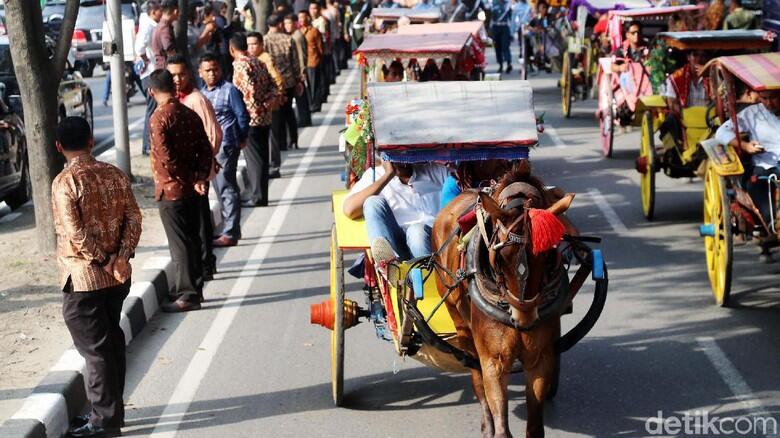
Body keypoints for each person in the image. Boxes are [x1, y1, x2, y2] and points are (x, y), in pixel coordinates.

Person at [53, 117, 141, 438]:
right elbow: (134, 217)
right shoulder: (115, 174)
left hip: (83, 280)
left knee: (96, 351)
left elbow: (74, 232)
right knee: (112, 343)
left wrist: (104, 260)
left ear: (59, 147)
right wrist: (121, 257)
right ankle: (110, 412)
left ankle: (105, 421)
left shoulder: (65, 182)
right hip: (117, 278)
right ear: (91, 141)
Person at [148, 69, 213, 312]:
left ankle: (188, 294)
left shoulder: (158, 118)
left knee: (180, 245)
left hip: (171, 190)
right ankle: (193, 289)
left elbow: (166, 158)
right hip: (192, 189)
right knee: (192, 241)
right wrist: (199, 177)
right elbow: (205, 149)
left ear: (152, 91)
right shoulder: (188, 114)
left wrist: (187, 179)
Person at [166, 55, 222, 281]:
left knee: (200, 222)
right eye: (172, 75)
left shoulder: (195, 100)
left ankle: (206, 265)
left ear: (189, 74)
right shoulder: (174, 100)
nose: (177, 79)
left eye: (181, 74)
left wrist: (201, 168)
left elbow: (213, 135)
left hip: (197, 174)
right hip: (186, 176)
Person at [715, 90, 780, 260]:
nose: (769, 103)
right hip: (765, 166)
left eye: (773, 98)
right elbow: (721, 133)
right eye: (764, 98)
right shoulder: (752, 113)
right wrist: (745, 146)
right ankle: (773, 225)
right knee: (756, 183)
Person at [343, 159, 448, 261]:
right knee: (372, 202)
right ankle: (388, 265)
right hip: (397, 244)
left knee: (417, 231)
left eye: (407, 155)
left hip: (435, 242)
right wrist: (388, 175)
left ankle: (425, 273)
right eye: (397, 156)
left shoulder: (437, 171)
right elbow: (349, 209)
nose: (404, 162)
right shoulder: (375, 175)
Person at [200, 53, 250, 247]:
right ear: (201, 73)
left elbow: (242, 116)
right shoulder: (203, 94)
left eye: (215, 69)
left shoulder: (230, 91)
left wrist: (242, 138)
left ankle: (230, 232)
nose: (212, 74)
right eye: (208, 71)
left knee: (227, 187)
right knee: (219, 188)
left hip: (226, 145)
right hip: (209, 148)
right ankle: (229, 228)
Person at [231, 32, 280, 207]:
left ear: (232, 49)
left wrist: (250, 113)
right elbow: (274, 86)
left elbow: (248, 92)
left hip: (251, 119)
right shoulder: (258, 62)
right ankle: (260, 194)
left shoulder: (240, 66)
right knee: (261, 157)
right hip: (265, 116)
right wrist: (266, 104)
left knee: (254, 159)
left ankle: (257, 196)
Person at [247, 31, 285, 178]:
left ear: (261, 45)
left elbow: (277, 80)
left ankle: (274, 166)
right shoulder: (252, 60)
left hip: (269, 106)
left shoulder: (265, 59)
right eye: (248, 45)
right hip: (260, 108)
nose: (251, 47)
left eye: (254, 44)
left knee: (272, 137)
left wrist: (274, 98)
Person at [264, 14, 304, 152]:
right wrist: (299, 79)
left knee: (276, 114)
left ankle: (280, 142)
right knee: (289, 112)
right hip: (289, 80)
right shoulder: (288, 39)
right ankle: (293, 140)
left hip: (272, 82)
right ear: (280, 24)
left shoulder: (264, 41)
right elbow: (295, 62)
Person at [136, 0, 162, 155]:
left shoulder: (151, 24)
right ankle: (147, 145)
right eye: (160, 11)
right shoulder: (148, 25)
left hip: (151, 72)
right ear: (153, 12)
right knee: (151, 109)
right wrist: (145, 58)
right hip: (150, 73)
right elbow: (139, 46)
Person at [285, 14, 313, 126]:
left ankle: (304, 119)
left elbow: (301, 56)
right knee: (301, 97)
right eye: (285, 23)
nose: (287, 26)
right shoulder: (294, 35)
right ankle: (304, 118)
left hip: (299, 72)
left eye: (289, 23)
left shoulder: (297, 36)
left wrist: (302, 72)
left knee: (301, 97)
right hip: (297, 71)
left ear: (295, 23)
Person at [299, 10, 325, 112]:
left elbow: (320, 47)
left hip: (313, 60)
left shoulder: (314, 31)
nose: (301, 19)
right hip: (302, 62)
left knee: (314, 84)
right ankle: (310, 104)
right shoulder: (299, 32)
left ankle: (315, 104)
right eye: (299, 17)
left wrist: (320, 59)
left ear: (308, 18)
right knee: (307, 85)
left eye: (303, 17)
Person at [151, 0, 178, 70]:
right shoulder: (165, 28)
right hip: (165, 69)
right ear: (176, 11)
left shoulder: (160, 25)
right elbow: (170, 50)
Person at [491, 0, 513, 74]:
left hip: (505, 27)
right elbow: (489, 16)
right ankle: (500, 65)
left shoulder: (508, 4)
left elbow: (511, 18)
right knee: (497, 47)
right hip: (495, 27)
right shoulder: (492, 3)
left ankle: (509, 63)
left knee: (505, 46)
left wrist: (512, 32)